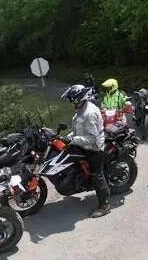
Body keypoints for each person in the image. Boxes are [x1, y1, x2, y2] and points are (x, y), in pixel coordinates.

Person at [60, 85, 111, 218]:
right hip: (83, 144)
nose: (72, 103)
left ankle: (105, 206)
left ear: (80, 99)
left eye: (73, 101)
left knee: (97, 175)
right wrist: (70, 137)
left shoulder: (90, 113)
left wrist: (72, 139)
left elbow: (92, 138)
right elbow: (79, 129)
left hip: (94, 148)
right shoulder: (81, 108)